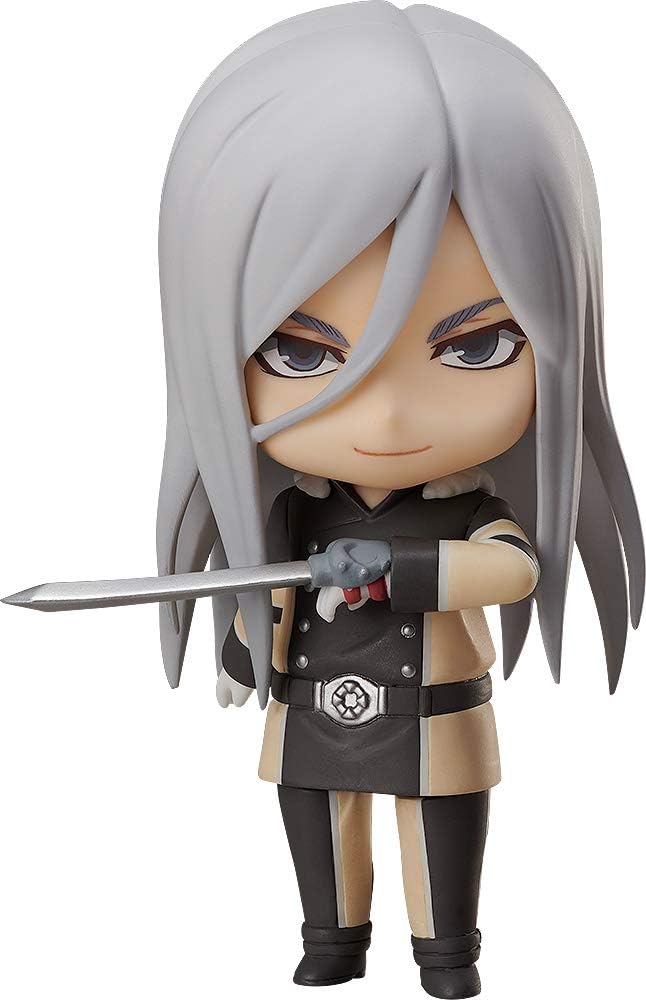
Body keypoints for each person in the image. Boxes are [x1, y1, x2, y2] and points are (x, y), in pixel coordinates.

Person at [155, 4, 643, 996]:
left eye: (477, 345)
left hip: (434, 710)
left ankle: (445, 953)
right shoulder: (297, 513)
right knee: (318, 822)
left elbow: (511, 568)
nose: (384, 414)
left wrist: (399, 566)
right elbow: (272, 586)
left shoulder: (463, 504)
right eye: (300, 353)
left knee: (437, 830)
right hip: (312, 706)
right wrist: (244, 652)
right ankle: (332, 940)